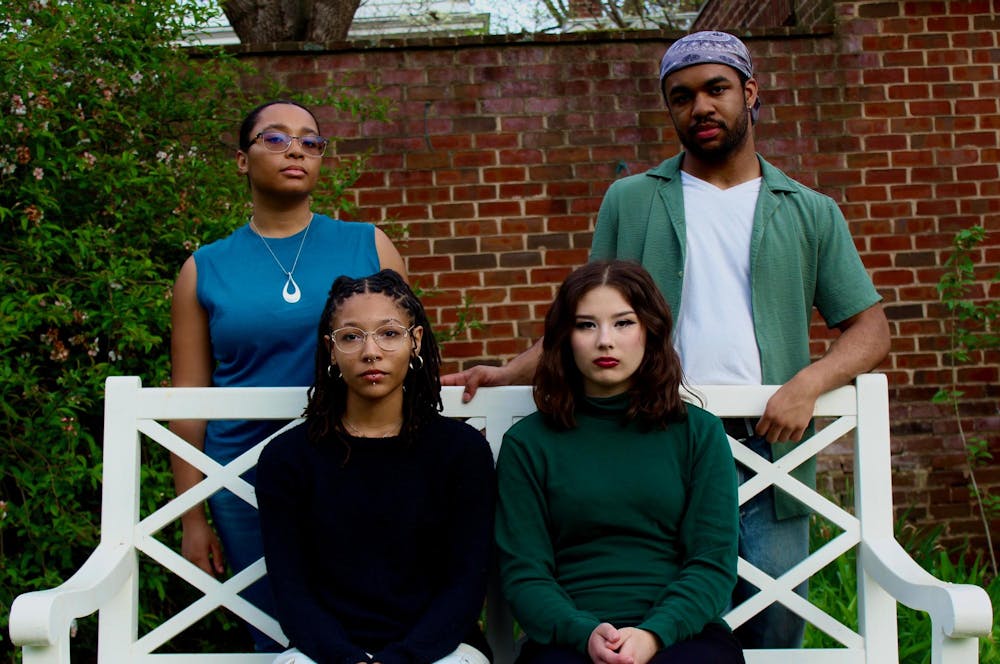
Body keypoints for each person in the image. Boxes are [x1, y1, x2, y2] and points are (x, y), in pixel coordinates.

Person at [444, 31, 891, 649]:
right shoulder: (632, 200)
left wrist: (809, 383)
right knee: (660, 617)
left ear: (750, 93)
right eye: (681, 97)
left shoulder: (809, 210)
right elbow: (589, 311)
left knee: (776, 621)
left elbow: (870, 329)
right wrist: (505, 372)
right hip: (655, 439)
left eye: (717, 90)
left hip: (768, 443)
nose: (700, 107)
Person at [169, 99, 407, 650]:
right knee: (279, 636)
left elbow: (406, 360)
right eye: (274, 138)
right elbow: (188, 400)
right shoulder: (204, 267)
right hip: (242, 475)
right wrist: (191, 517)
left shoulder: (369, 246)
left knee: (371, 624)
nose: (295, 148)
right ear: (240, 159)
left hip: (360, 462)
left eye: (310, 140)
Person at [495, 260, 744, 664]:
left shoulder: (698, 433)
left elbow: (712, 562)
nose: (605, 341)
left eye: (623, 323)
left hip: (680, 635)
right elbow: (525, 574)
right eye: (586, 325)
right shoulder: (528, 444)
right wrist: (585, 633)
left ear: (651, 331)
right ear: (565, 338)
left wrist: (652, 634)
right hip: (569, 639)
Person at [255, 269, 496, 664]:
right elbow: (291, 590)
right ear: (330, 349)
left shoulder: (460, 452)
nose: (371, 351)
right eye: (351, 336)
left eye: (388, 333)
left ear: (414, 341)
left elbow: (465, 586)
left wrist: (398, 660)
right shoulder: (289, 459)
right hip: (326, 655)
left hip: (438, 652)